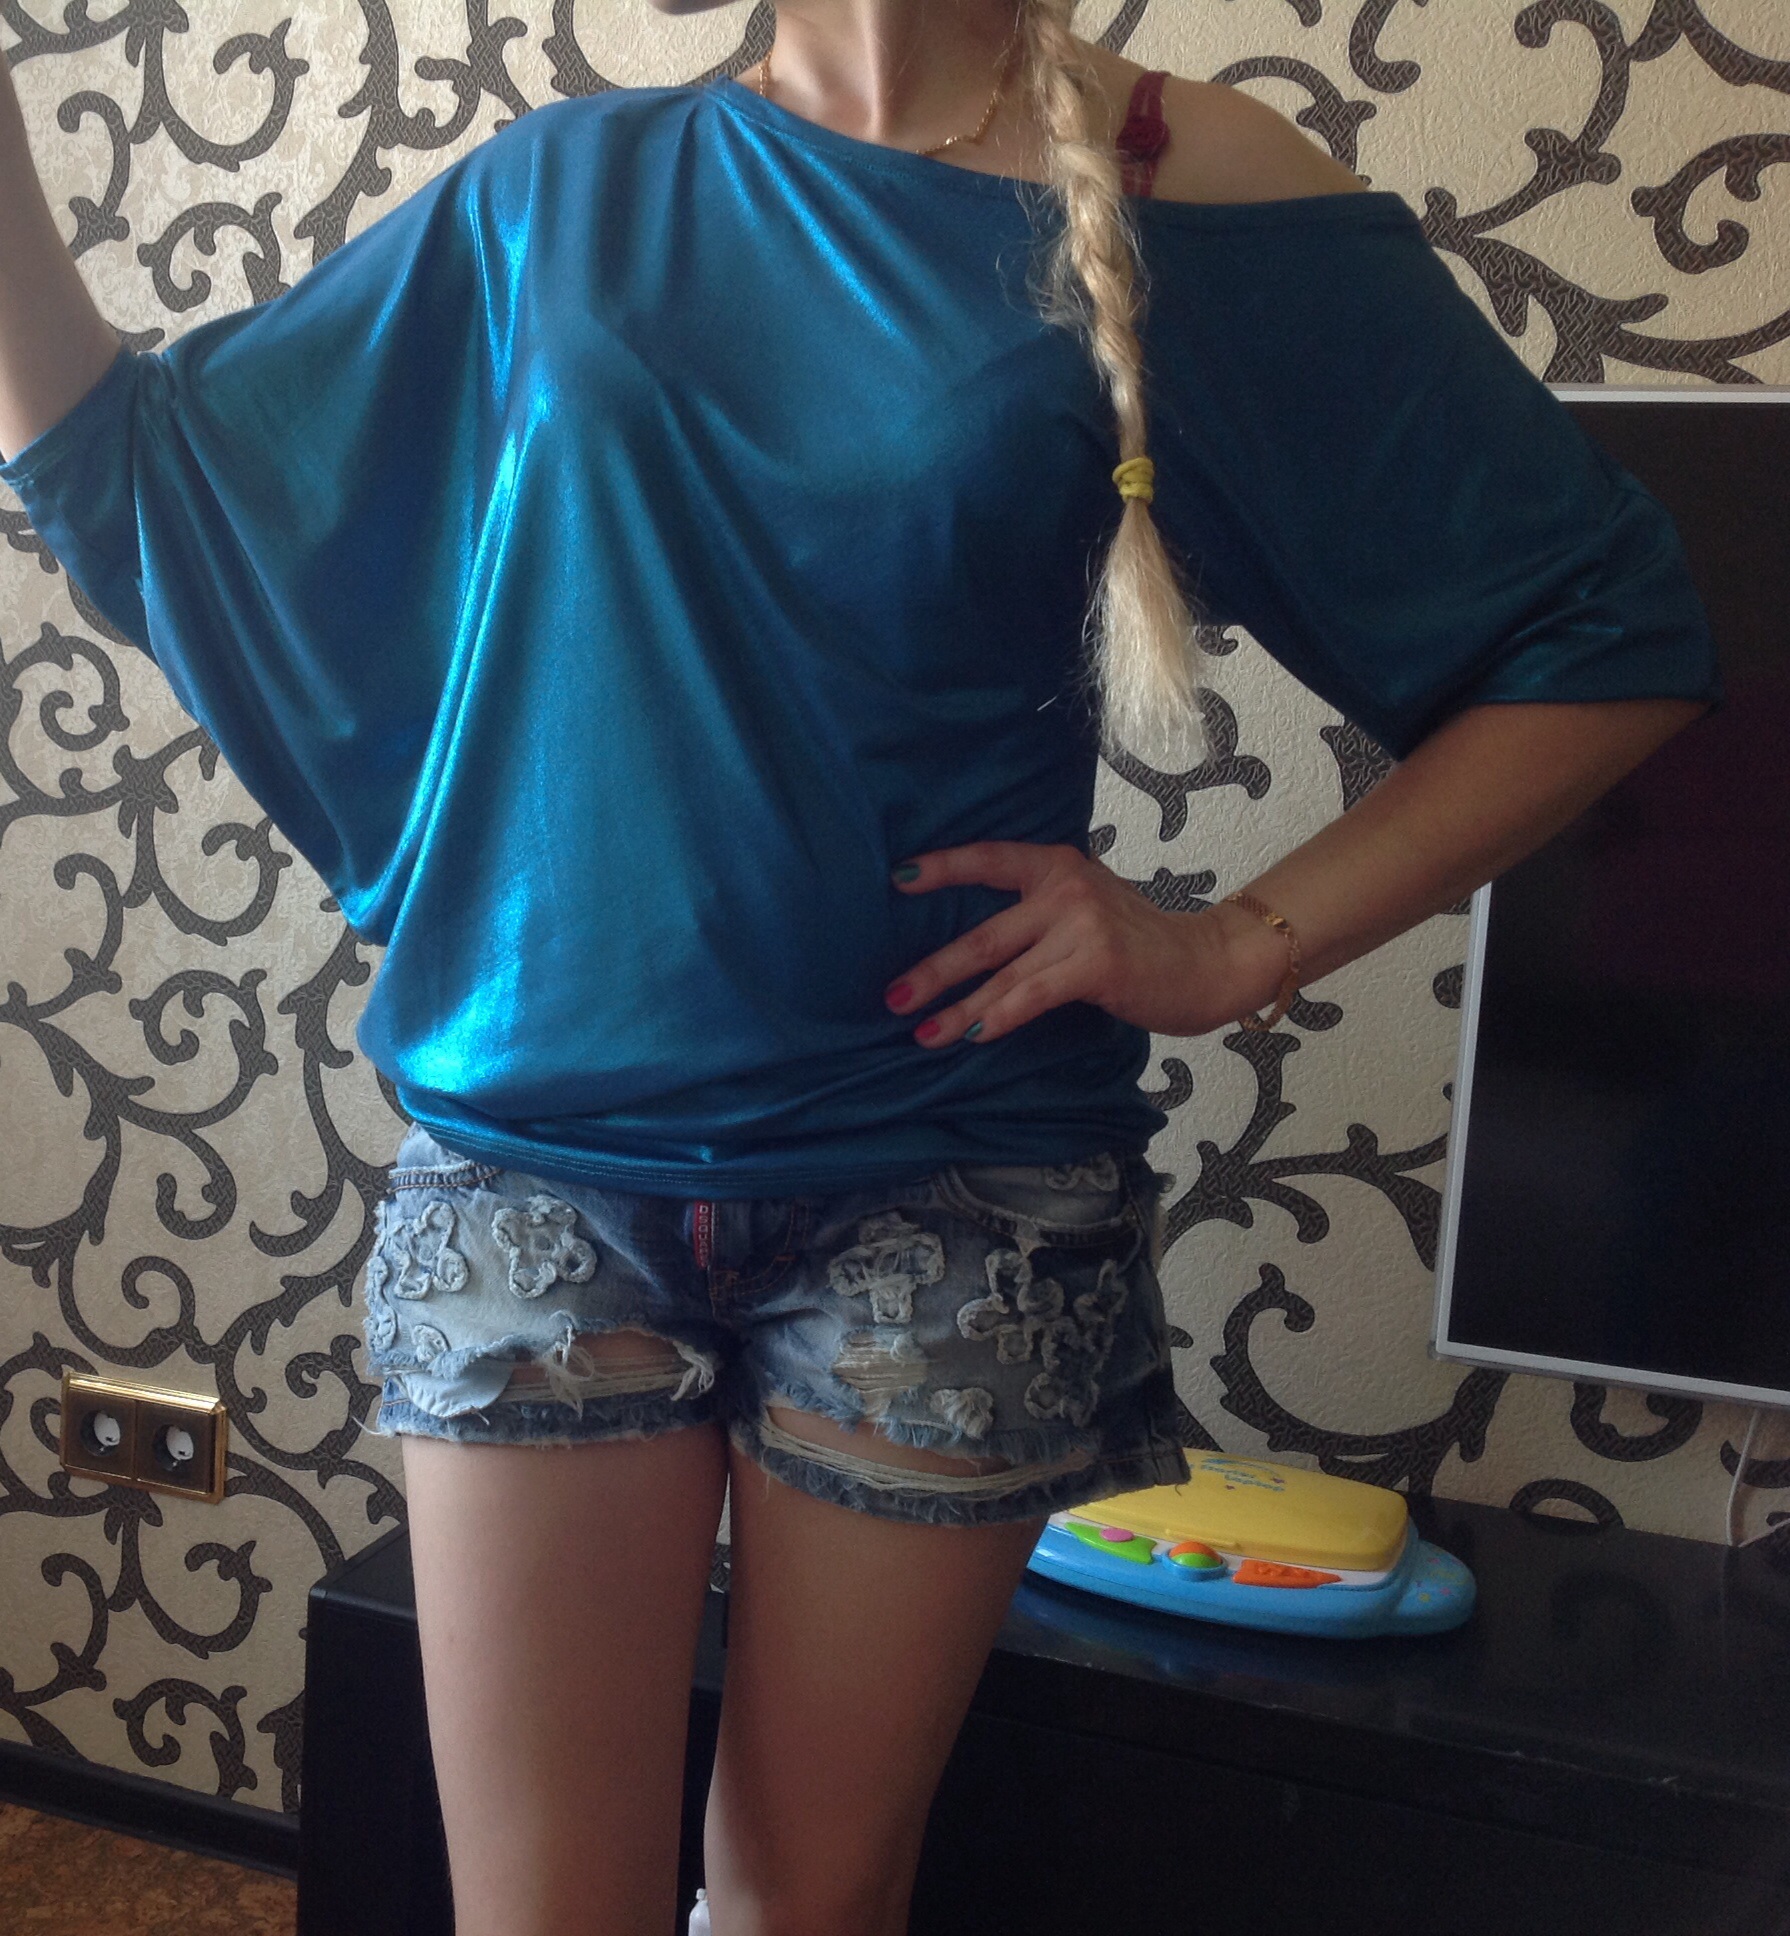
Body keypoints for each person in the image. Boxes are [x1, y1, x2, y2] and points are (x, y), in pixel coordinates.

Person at [0, 3, 1718, 1932]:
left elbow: (1605, 635)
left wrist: (1232, 945)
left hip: (954, 1201)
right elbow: (148, 486)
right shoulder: (564, 193)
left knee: (806, 1908)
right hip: (537, 1187)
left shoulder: (1178, 178)